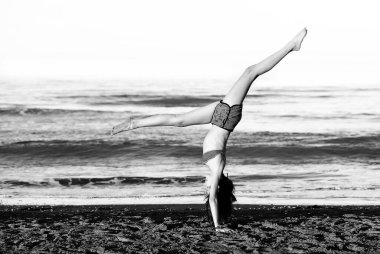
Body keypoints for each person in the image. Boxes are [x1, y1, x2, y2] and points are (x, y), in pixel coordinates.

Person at [111, 28, 307, 233]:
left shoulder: (215, 169)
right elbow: (213, 198)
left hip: (217, 120)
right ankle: (292, 46)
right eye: (208, 186)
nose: (205, 186)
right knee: (250, 72)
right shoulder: (217, 169)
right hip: (225, 118)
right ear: (219, 185)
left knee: (179, 121)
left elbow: (213, 197)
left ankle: (134, 123)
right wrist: (217, 227)